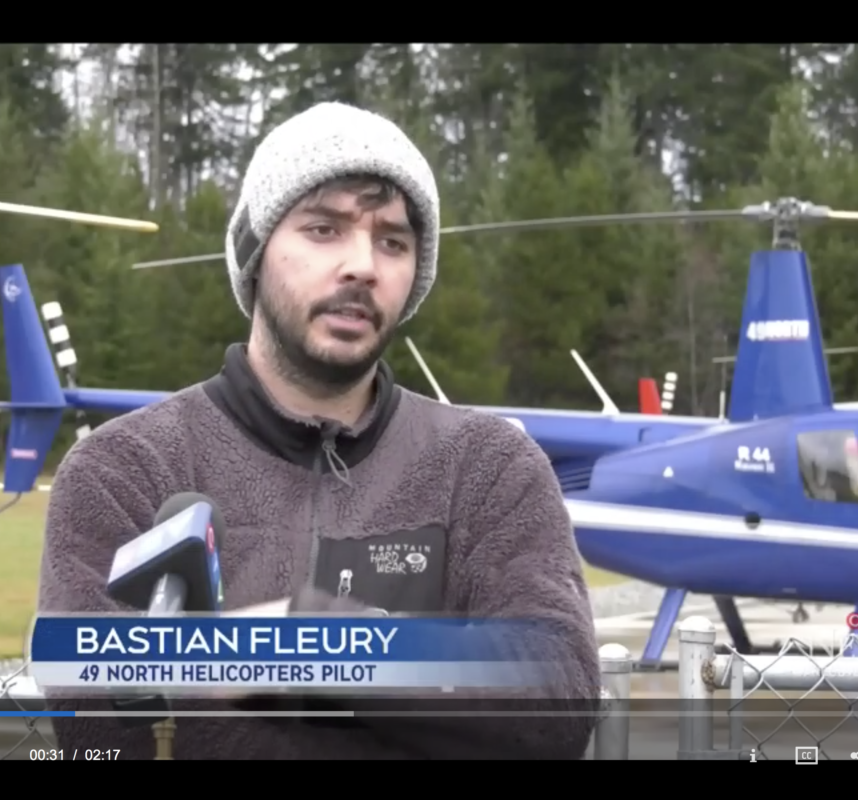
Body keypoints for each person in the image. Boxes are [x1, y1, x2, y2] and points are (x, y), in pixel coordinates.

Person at [37, 101, 602, 759]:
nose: (364, 264)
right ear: (255, 249)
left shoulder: (486, 467)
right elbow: (105, 723)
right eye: (324, 229)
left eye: (393, 241)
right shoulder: (127, 469)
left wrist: (293, 640)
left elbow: (551, 697)